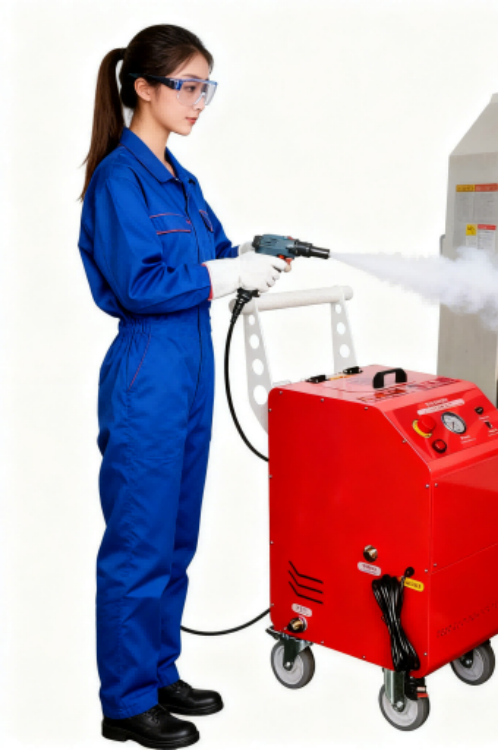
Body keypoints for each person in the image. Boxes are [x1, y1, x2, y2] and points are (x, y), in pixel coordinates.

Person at [78, 24, 288, 749]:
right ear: (143, 87)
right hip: (150, 375)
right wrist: (224, 273)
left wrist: (247, 255)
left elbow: (212, 255)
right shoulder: (119, 179)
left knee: (174, 538)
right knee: (139, 543)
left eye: (206, 88)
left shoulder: (180, 179)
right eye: (188, 86)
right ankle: (126, 701)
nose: (200, 101)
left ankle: (158, 672)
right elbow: (141, 285)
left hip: (190, 369)